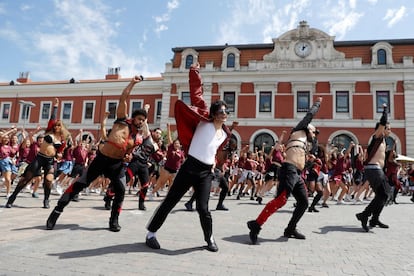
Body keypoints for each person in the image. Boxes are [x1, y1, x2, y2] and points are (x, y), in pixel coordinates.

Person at [145, 62, 231, 252]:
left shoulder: (225, 134)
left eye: (226, 111)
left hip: (205, 172)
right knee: (170, 201)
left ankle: (209, 239)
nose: (223, 114)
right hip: (189, 166)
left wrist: (214, 162)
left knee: (203, 208)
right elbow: (197, 93)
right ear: (214, 113)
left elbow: (213, 149)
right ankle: (151, 233)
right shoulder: (204, 120)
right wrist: (194, 71)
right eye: (220, 111)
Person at [46, 75, 145, 232]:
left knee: (121, 190)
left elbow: (128, 153)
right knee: (79, 185)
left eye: (143, 120)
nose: (141, 122)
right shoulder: (122, 120)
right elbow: (124, 98)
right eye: (139, 119)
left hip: (116, 164)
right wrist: (132, 83)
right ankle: (56, 212)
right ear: (134, 118)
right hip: (101, 159)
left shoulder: (136, 138)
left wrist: (128, 155)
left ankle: (114, 220)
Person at [247, 97, 322, 243]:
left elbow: (313, 148)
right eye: (313, 131)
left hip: (297, 174)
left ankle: (290, 229)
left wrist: (314, 143)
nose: (314, 134)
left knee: (303, 202)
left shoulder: (305, 143)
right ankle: (256, 225)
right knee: (281, 200)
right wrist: (317, 104)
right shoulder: (299, 130)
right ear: (307, 129)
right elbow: (309, 116)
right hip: (289, 170)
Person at [6, 98, 70, 209]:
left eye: (58, 125)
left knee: (49, 180)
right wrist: (55, 107)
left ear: (62, 127)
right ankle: (12, 197)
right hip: (39, 158)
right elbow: (52, 118)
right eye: (55, 125)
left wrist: (58, 155)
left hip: (50, 161)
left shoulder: (63, 140)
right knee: (26, 179)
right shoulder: (49, 131)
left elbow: (59, 152)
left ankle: (46, 200)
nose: (56, 127)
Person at [355, 104, 391, 232]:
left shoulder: (383, 141)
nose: (390, 131)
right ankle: (364, 215)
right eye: (388, 128)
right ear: (382, 129)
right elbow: (382, 122)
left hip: (377, 170)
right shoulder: (377, 136)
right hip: (374, 169)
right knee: (384, 194)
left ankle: (374, 219)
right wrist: (385, 110)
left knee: (383, 195)